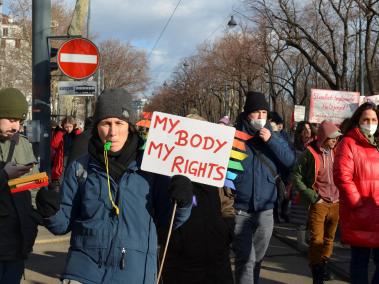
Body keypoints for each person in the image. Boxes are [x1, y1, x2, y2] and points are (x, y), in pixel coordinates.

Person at [36, 89, 193, 284]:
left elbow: (169, 221)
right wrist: (50, 211)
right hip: (84, 274)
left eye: (119, 123)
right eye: (106, 123)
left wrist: (184, 201)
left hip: (136, 274)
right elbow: (62, 224)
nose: (112, 132)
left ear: (130, 126)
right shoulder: (80, 168)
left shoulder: (152, 168)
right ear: (96, 127)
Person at [160, 114, 234, 284]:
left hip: (217, 261)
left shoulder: (217, 171)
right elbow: (160, 214)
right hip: (181, 264)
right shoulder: (166, 172)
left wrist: (226, 230)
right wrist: (174, 240)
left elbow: (227, 205)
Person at [233, 91, 295, 284]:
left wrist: (272, 140)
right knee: (245, 259)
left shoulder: (275, 138)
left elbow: (291, 162)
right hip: (239, 209)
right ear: (247, 114)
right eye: (256, 112)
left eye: (264, 113)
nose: (261, 117)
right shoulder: (234, 137)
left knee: (257, 259)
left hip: (266, 211)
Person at [333, 102, 379, 284]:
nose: (370, 123)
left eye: (374, 119)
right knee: (360, 262)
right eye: (366, 119)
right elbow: (342, 176)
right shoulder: (348, 142)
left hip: (377, 211)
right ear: (358, 121)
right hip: (360, 214)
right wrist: (358, 203)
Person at [0, 88, 41, 284]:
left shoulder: (23, 145)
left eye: (20, 121)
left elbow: (31, 189)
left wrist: (34, 218)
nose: (16, 126)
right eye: (11, 119)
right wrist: (4, 175)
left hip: (18, 243)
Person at [293, 120, 342, 284]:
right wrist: (314, 197)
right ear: (323, 137)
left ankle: (324, 265)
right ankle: (317, 274)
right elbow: (296, 177)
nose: (335, 140)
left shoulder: (339, 151)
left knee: (329, 239)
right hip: (319, 203)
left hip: (336, 203)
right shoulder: (309, 153)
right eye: (332, 137)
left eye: (336, 137)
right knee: (316, 240)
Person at [50, 116, 81, 185]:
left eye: (70, 126)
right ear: (63, 126)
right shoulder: (61, 133)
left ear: (74, 126)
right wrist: (60, 131)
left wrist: (76, 130)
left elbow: (81, 140)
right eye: (66, 127)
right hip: (63, 158)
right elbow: (54, 144)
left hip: (74, 157)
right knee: (62, 178)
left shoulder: (76, 133)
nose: (68, 129)